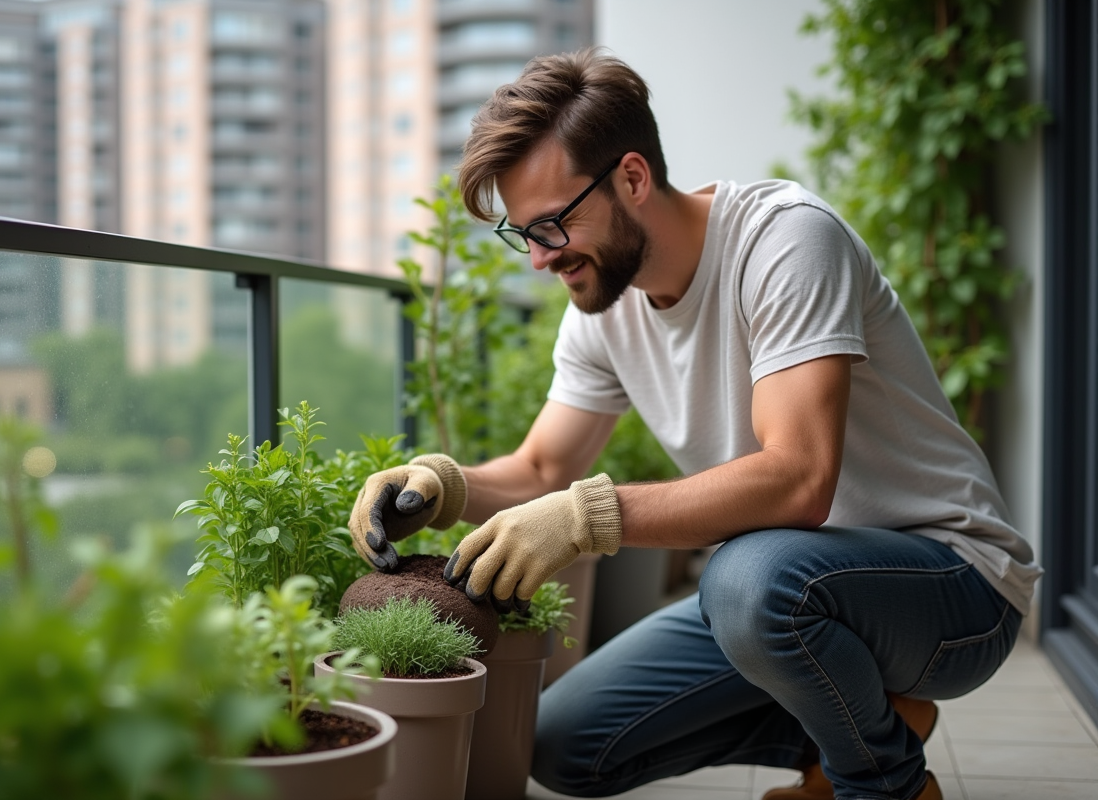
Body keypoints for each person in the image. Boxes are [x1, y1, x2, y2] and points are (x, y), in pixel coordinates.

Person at [347, 48, 1041, 800]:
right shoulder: (602, 310)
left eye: (550, 227)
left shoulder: (785, 241)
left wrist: (586, 518)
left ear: (633, 178)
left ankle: (881, 783)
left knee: (745, 578)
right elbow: (545, 469)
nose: (542, 262)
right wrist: (443, 484)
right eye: (525, 236)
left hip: (952, 583)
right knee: (565, 744)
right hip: (792, 586)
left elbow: (800, 479)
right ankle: (874, 724)